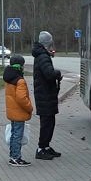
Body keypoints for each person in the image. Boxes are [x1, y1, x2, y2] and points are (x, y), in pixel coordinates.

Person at [32, 31, 62, 160]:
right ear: (47, 43)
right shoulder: (43, 57)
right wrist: (57, 73)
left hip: (45, 94)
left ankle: (46, 146)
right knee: (46, 123)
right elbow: (49, 74)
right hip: (44, 95)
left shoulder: (42, 55)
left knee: (50, 122)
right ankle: (41, 148)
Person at [3, 54, 33, 167]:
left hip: (12, 111)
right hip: (19, 112)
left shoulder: (9, 79)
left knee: (14, 134)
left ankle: (12, 156)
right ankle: (16, 157)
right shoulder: (20, 81)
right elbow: (21, 98)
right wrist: (30, 107)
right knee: (17, 136)